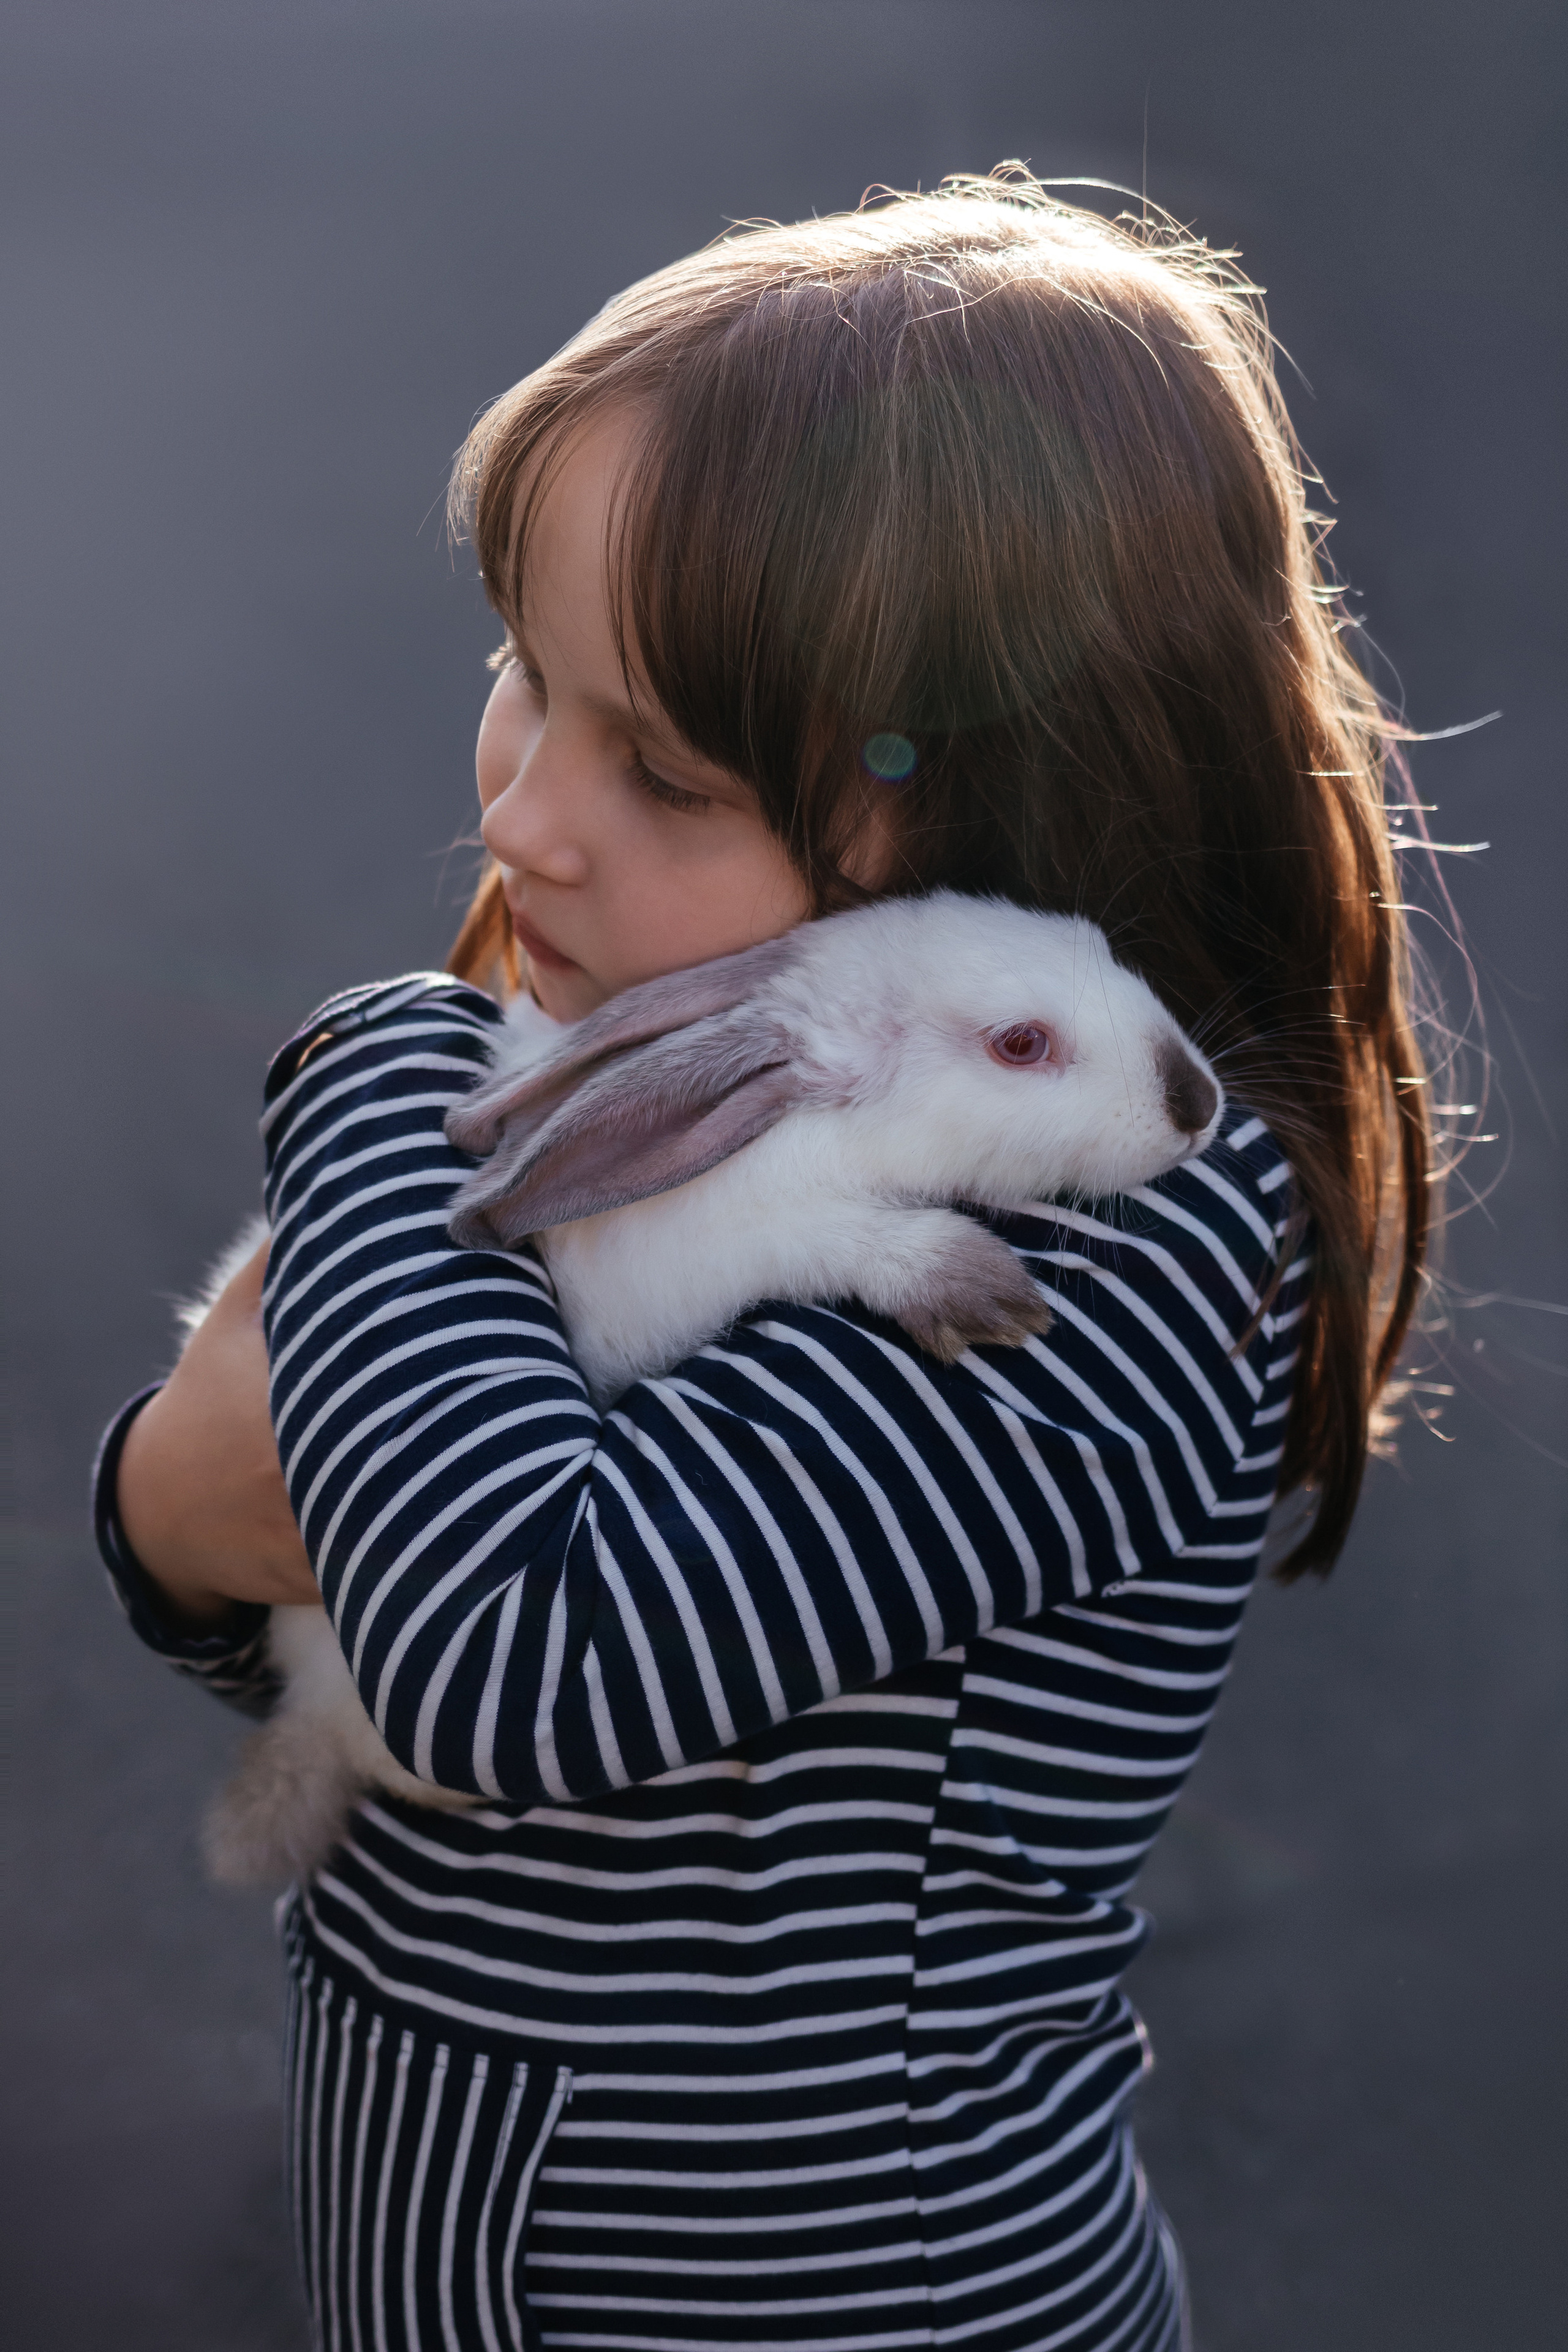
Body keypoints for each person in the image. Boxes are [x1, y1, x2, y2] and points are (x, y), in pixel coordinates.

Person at [96, 172, 1431, 2352]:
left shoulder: (1101, 1244)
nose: (527, 814)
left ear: (1010, 832)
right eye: (527, 675)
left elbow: (503, 1647)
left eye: (671, 771)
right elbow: (311, 1604)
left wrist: (379, 1078)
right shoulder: (663, 1067)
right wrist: (169, 1514)